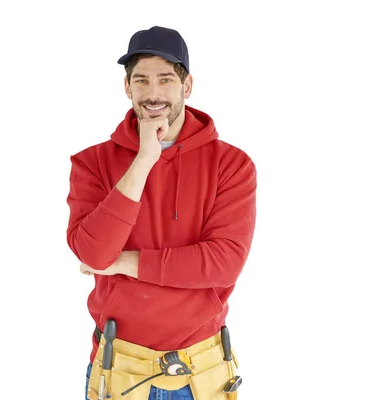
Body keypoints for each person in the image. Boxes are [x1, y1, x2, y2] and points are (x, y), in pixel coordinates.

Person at [66, 25, 257, 400]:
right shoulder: (92, 164)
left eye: (166, 80)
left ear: (187, 86)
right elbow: (91, 254)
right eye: (142, 81)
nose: (153, 94)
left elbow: (223, 263)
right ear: (127, 88)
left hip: (202, 376)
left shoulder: (232, 165)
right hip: (118, 372)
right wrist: (144, 159)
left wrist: (123, 263)